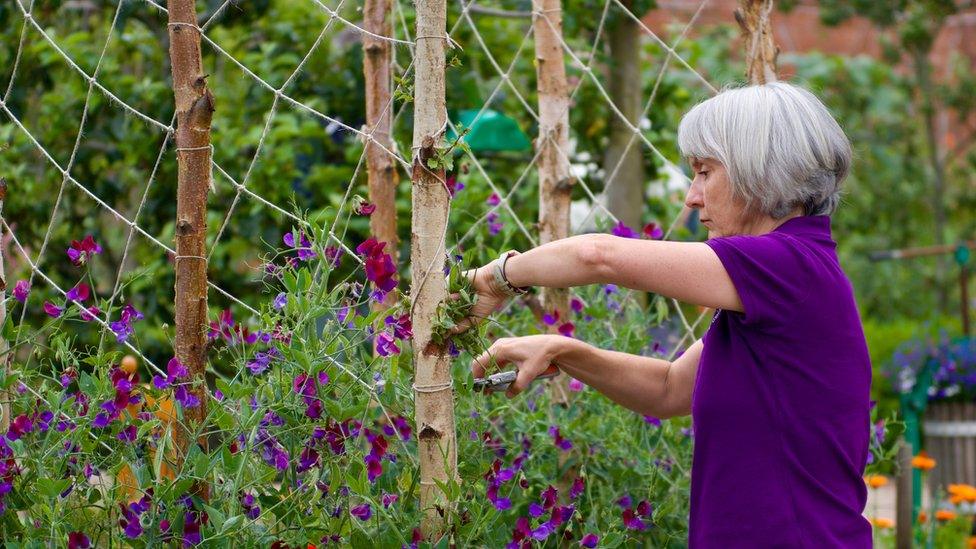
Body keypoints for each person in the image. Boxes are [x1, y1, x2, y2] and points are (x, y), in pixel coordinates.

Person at [454, 82, 873, 548]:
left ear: (761, 171)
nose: (691, 197)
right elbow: (669, 389)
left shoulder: (788, 267)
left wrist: (496, 278)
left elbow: (598, 256)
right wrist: (563, 350)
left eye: (704, 172)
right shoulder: (780, 282)